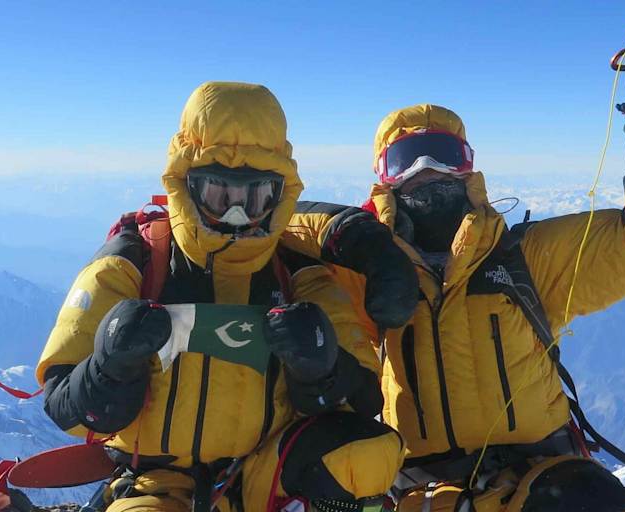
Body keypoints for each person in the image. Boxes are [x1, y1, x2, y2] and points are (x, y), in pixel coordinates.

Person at [279, 38, 625, 511]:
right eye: (406, 161)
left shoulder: (526, 257)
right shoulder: (364, 270)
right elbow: (270, 229)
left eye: (443, 154)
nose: (427, 169)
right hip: (424, 489)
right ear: (385, 179)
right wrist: (345, 229)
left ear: (467, 167)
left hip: (543, 479)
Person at [35, 82, 403, 512]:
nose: (237, 214)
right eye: (218, 194)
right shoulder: (134, 263)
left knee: (367, 453)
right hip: (158, 481)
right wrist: (110, 366)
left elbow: (364, 401)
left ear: (279, 195)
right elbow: (64, 408)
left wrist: (321, 368)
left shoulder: (300, 276)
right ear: (186, 185)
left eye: (256, 197)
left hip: (265, 475)